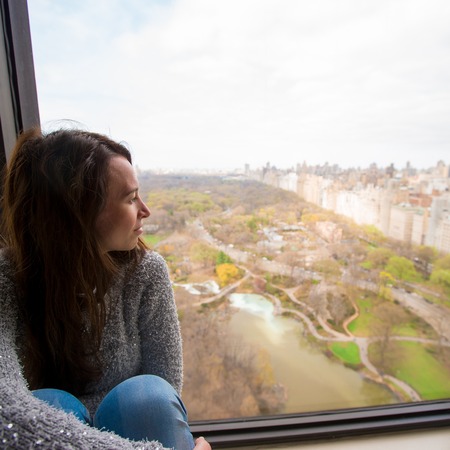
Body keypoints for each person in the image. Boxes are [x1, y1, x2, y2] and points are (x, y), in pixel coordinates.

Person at [0, 127, 211, 450]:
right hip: (52, 437)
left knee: (147, 398)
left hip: (131, 424)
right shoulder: (9, 277)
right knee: (50, 403)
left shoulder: (146, 272)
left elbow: (167, 389)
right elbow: (6, 407)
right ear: (79, 214)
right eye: (130, 198)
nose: (145, 210)